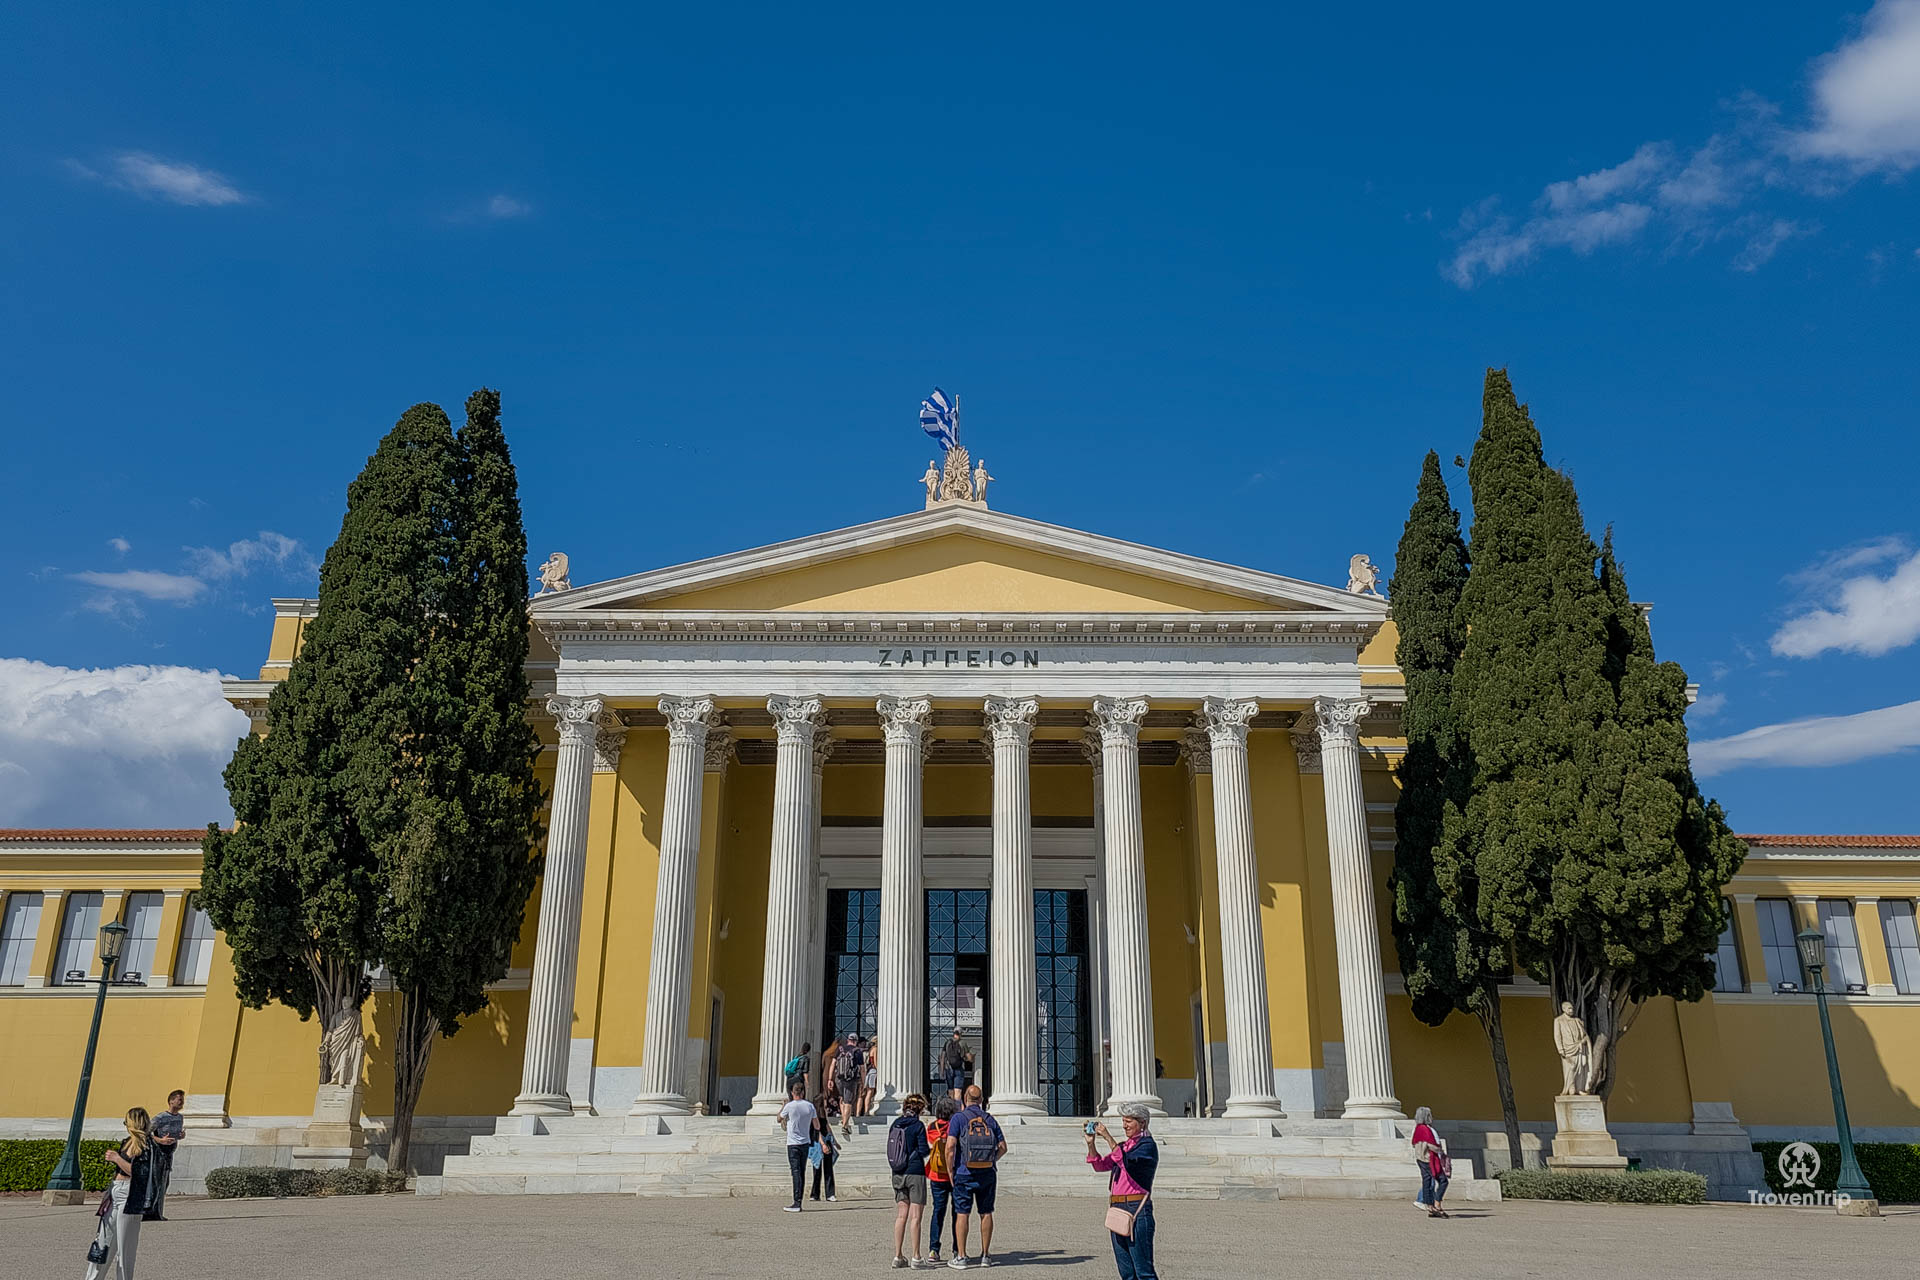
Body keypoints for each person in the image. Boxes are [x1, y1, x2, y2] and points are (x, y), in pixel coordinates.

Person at [1087, 1103, 1160, 1280]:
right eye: (1123, 1121)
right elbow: (1100, 1165)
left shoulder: (1147, 1146)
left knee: (1144, 1271)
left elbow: (1126, 1161)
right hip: (1117, 1208)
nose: (1124, 1125)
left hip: (1137, 1209)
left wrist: (1107, 1137)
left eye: (1128, 1121)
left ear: (1142, 1123)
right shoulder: (1124, 1146)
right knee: (1126, 1272)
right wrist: (1091, 1144)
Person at [86, 1106, 153, 1280]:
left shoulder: (146, 1146)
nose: (125, 1125)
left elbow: (140, 1174)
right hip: (115, 1192)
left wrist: (117, 1158)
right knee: (103, 1242)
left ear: (133, 1123)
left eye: (126, 1122)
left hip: (130, 1195)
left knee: (125, 1249)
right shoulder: (127, 1141)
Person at [944, 1085, 1006, 1270]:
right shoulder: (990, 1119)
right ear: (981, 1100)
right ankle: (986, 1255)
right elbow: (1003, 1147)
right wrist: (991, 1160)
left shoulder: (958, 1118)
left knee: (962, 1213)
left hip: (964, 1172)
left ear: (964, 1098)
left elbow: (950, 1147)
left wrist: (950, 1171)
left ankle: (961, 1257)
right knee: (986, 1212)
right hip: (987, 1173)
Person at [888, 1093, 932, 1269]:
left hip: (897, 1171)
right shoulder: (918, 1125)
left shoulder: (895, 1124)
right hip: (915, 1171)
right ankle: (916, 1256)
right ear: (920, 1109)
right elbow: (923, 1150)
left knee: (901, 1215)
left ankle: (898, 1255)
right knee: (916, 1217)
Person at [143, 1090, 185, 1222]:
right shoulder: (160, 1117)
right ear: (171, 1101)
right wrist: (160, 1140)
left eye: (182, 1100)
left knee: (164, 1182)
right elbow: (146, 1132)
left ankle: (157, 1212)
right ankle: (147, 1211)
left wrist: (180, 1136)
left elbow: (175, 1134)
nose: (181, 1102)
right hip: (158, 1152)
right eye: (179, 1099)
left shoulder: (180, 1118)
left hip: (169, 1153)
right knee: (155, 1181)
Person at [926, 1096, 958, 1264]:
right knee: (957, 1212)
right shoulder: (956, 1126)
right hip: (955, 1173)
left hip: (936, 1174)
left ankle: (933, 1249)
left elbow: (928, 1147)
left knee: (938, 1212)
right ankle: (957, 1249)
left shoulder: (932, 1127)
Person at [778, 1080, 818, 1212]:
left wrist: (783, 1106)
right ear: (803, 1092)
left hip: (792, 1143)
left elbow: (779, 1118)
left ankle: (796, 1202)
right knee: (802, 1172)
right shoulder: (810, 1106)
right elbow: (816, 1125)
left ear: (792, 1092)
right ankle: (799, 1200)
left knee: (795, 1172)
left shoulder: (789, 1106)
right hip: (805, 1143)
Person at [1411, 1106, 1450, 1218]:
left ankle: (1430, 1206)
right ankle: (1437, 1204)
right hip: (1429, 1159)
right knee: (1443, 1181)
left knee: (1427, 1182)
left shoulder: (1418, 1129)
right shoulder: (1425, 1129)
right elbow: (1431, 1145)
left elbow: (1413, 1143)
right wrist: (1440, 1150)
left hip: (1420, 1159)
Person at [811, 1084, 841, 1203]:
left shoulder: (823, 1114)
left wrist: (835, 1141)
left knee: (828, 1168)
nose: (826, 1103)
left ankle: (830, 1193)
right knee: (817, 1168)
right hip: (819, 1143)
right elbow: (816, 1130)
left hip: (826, 1140)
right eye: (823, 1101)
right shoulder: (814, 1115)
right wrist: (822, 1144)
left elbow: (827, 1127)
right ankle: (815, 1193)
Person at [833, 1032, 864, 1135]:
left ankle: (843, 1119)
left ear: (848, 1040)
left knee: (842, 1099)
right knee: (848, 1102)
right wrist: (863, 1082)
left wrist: (830, 1079)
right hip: (851, 1079)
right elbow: (862, 1069)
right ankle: (845, 1126)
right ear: (856, 1042)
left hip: (839, 1078)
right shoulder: (857, 1051)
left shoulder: (840, 1049)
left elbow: (833, 1064)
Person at [940, 1032, 969, 1102]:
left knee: (950, 1091)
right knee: (957, 1091)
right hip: (959, 1069)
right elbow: (968, 1057)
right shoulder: (962, 1043)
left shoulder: (947, 1043)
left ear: (953, 1034)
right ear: (961, 1034)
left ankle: (951, 1110)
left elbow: (943, 1057)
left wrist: (942, 1071)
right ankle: (957, 1109)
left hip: (948, 1069)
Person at [862, 1039, 881, 1117]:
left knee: (869, 1091)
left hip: (869, 1071)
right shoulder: (875, 1049)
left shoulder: (870, 1050)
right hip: (873, 1071)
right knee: (870, 1091)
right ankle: (866, 1111)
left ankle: (866, 1110)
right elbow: (875, 1062)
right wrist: (878, 1070)